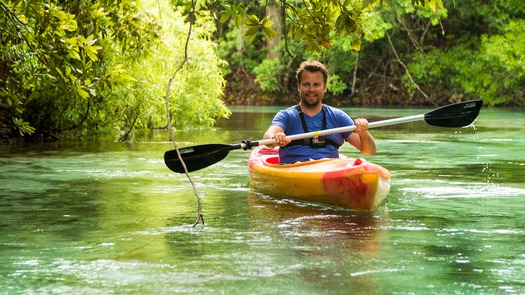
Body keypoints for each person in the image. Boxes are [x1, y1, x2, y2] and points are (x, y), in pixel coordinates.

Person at [263, 60, 376, 164]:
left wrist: (364, 133)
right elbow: (268, 138)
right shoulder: (286, 116)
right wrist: (276, 138)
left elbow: (369, 151)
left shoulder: (338, 116)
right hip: (294, 170)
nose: (311, 89)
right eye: (306, 84)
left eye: (316, 84)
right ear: (299, 87)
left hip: (329, 172)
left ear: (325, 87)